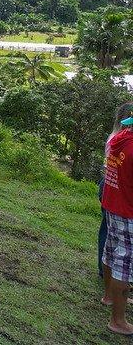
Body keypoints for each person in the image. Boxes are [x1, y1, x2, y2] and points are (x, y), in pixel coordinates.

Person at [101, 107, 133, 335]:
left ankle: (109, 296)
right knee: (125, 262)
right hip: (128, 209)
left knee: (111, 252)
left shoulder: (119, 139)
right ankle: (118, 321)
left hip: (113, 204)